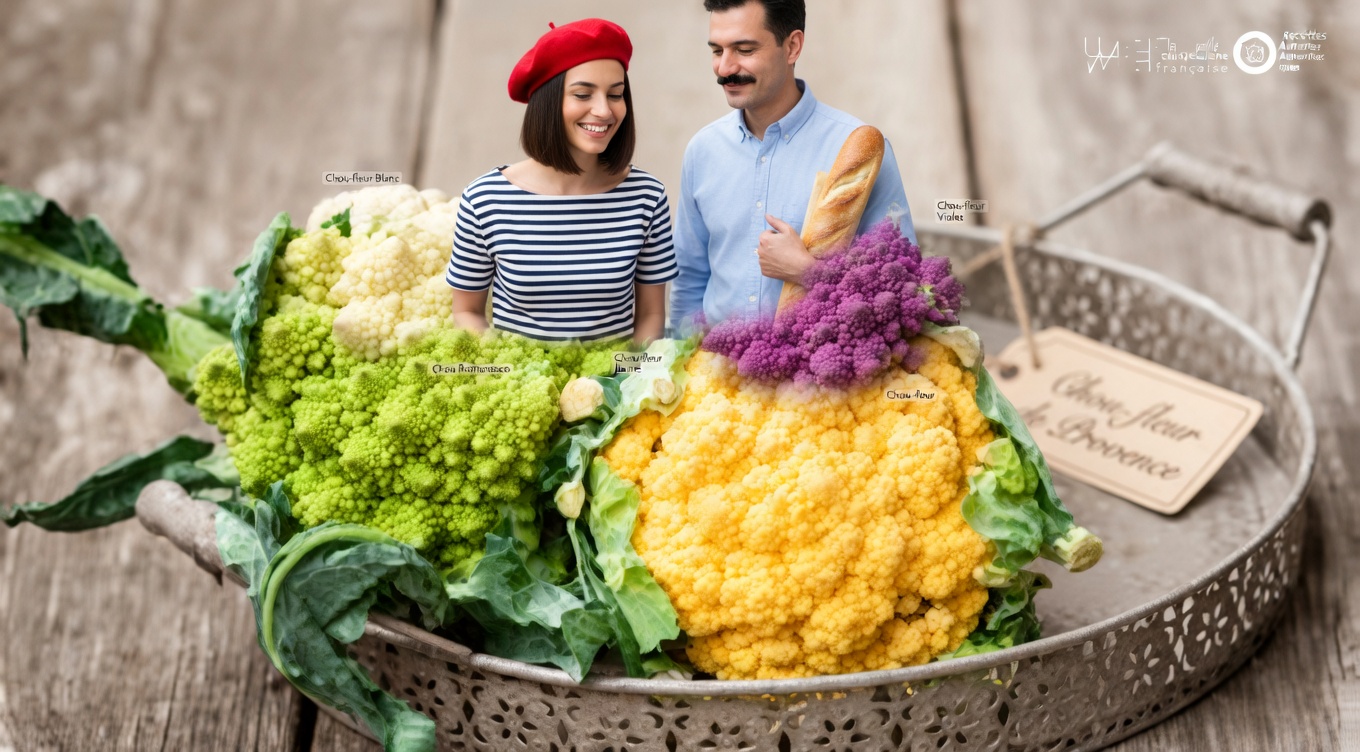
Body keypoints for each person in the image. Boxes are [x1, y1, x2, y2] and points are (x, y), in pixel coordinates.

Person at [669, 0, 917, 331]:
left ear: (792, 47)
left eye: (744, 50)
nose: (725, 68)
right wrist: (681, 355)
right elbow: (689, 281)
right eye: (717, 51)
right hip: (714, 362)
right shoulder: (702, 151)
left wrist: (807, 272)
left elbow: (903, 291)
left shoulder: (859, 150)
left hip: (820, 362)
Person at [447, 18, 677, 344]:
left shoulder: (647, 196)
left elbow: (651, 314)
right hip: (519, 375)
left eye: (616, 94)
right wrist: (505, 369)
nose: (604, 110)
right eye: (583, 94)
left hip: (616, 375)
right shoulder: (484, 199)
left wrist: (627, 373)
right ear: (548, 102)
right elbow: (466, 311)